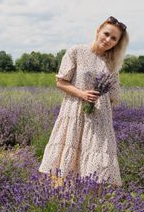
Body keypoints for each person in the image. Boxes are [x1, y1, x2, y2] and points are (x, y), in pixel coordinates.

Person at [38, 16, 128, 188]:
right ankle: (62, 198)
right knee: (67, 160)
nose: (108, 40)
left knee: (98, 163)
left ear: (117, 43)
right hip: (74, 112)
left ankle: (90, 204)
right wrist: (82, 94)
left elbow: (114, 96)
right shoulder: (76, 51)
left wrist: (109, 91)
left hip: (99, 117)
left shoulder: (112, 63)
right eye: (106, 34)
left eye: (114, 38)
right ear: (98, 31)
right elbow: (60, 82)